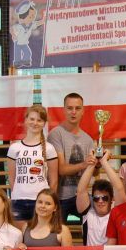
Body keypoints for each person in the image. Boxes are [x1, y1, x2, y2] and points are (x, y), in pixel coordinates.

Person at [47, 92, 97, 222]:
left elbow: (93, 173)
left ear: (83, 111)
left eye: (77, 108)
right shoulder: (55, 134)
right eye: (69, 108)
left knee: (94, 223)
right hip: (60, 197)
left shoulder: (88, 140)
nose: (73, 112)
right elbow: (61, 169)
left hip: (81, 195)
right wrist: (84, 164)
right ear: (64, 110)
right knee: (57, 233)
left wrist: (97, 164)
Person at [7, 105, 58, 230]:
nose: (35, 123)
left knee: (39, 237)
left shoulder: (49, 148)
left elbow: (54, 180)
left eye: (39, 120)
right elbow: (12, 178)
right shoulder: (14, 148)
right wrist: (18, 193)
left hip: (40, 202)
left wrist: (48, 200)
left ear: (44, 123)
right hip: (18, 201)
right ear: (25, 120)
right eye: (32, 119)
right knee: (20, 237)